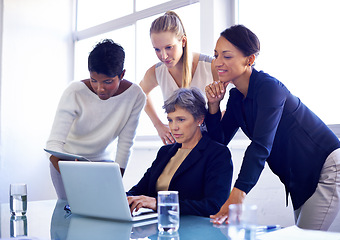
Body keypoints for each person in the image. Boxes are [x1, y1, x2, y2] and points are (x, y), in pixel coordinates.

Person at [205, 25, 340, 230]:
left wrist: (237, 194)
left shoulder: (269, 88)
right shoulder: (236, 97)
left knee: (307, 237)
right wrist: (213, 106)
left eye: (227, 56)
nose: (218, 62)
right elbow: (220, 142)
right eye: (216, 55)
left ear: (249, 60)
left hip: (326, 167)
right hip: (299, 176)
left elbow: (260, 146)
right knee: (304, 234)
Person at [46, 39, 145, 200]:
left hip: (103, 165)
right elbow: (53, 145)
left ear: (122, 74)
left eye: (108, 82)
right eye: (94, 80)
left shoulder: (136, 96)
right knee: (69, 215)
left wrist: (115, 181)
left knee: (103, 216)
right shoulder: (75, 92)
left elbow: (125, 144)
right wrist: (72, 171)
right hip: (66, 163)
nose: (100, 88)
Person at [127, 88, 233, 217]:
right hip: (158, 227)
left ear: (199, 119)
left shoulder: (218, 154)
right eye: (170, 120)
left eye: (181, 120)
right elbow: (139, 190)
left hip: (193, 230)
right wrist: (125, 199)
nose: (173, 127)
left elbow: (213, 206)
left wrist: (159, 203)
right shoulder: (165, 152)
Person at [139, 11, 218, 145]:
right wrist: (158, 125)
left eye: (169, 47)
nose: (163, 56)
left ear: (183, 41)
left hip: (209, 145)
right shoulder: (156, 72)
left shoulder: (210, 66)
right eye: (157, 49)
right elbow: (140, 93)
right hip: (178, 145)